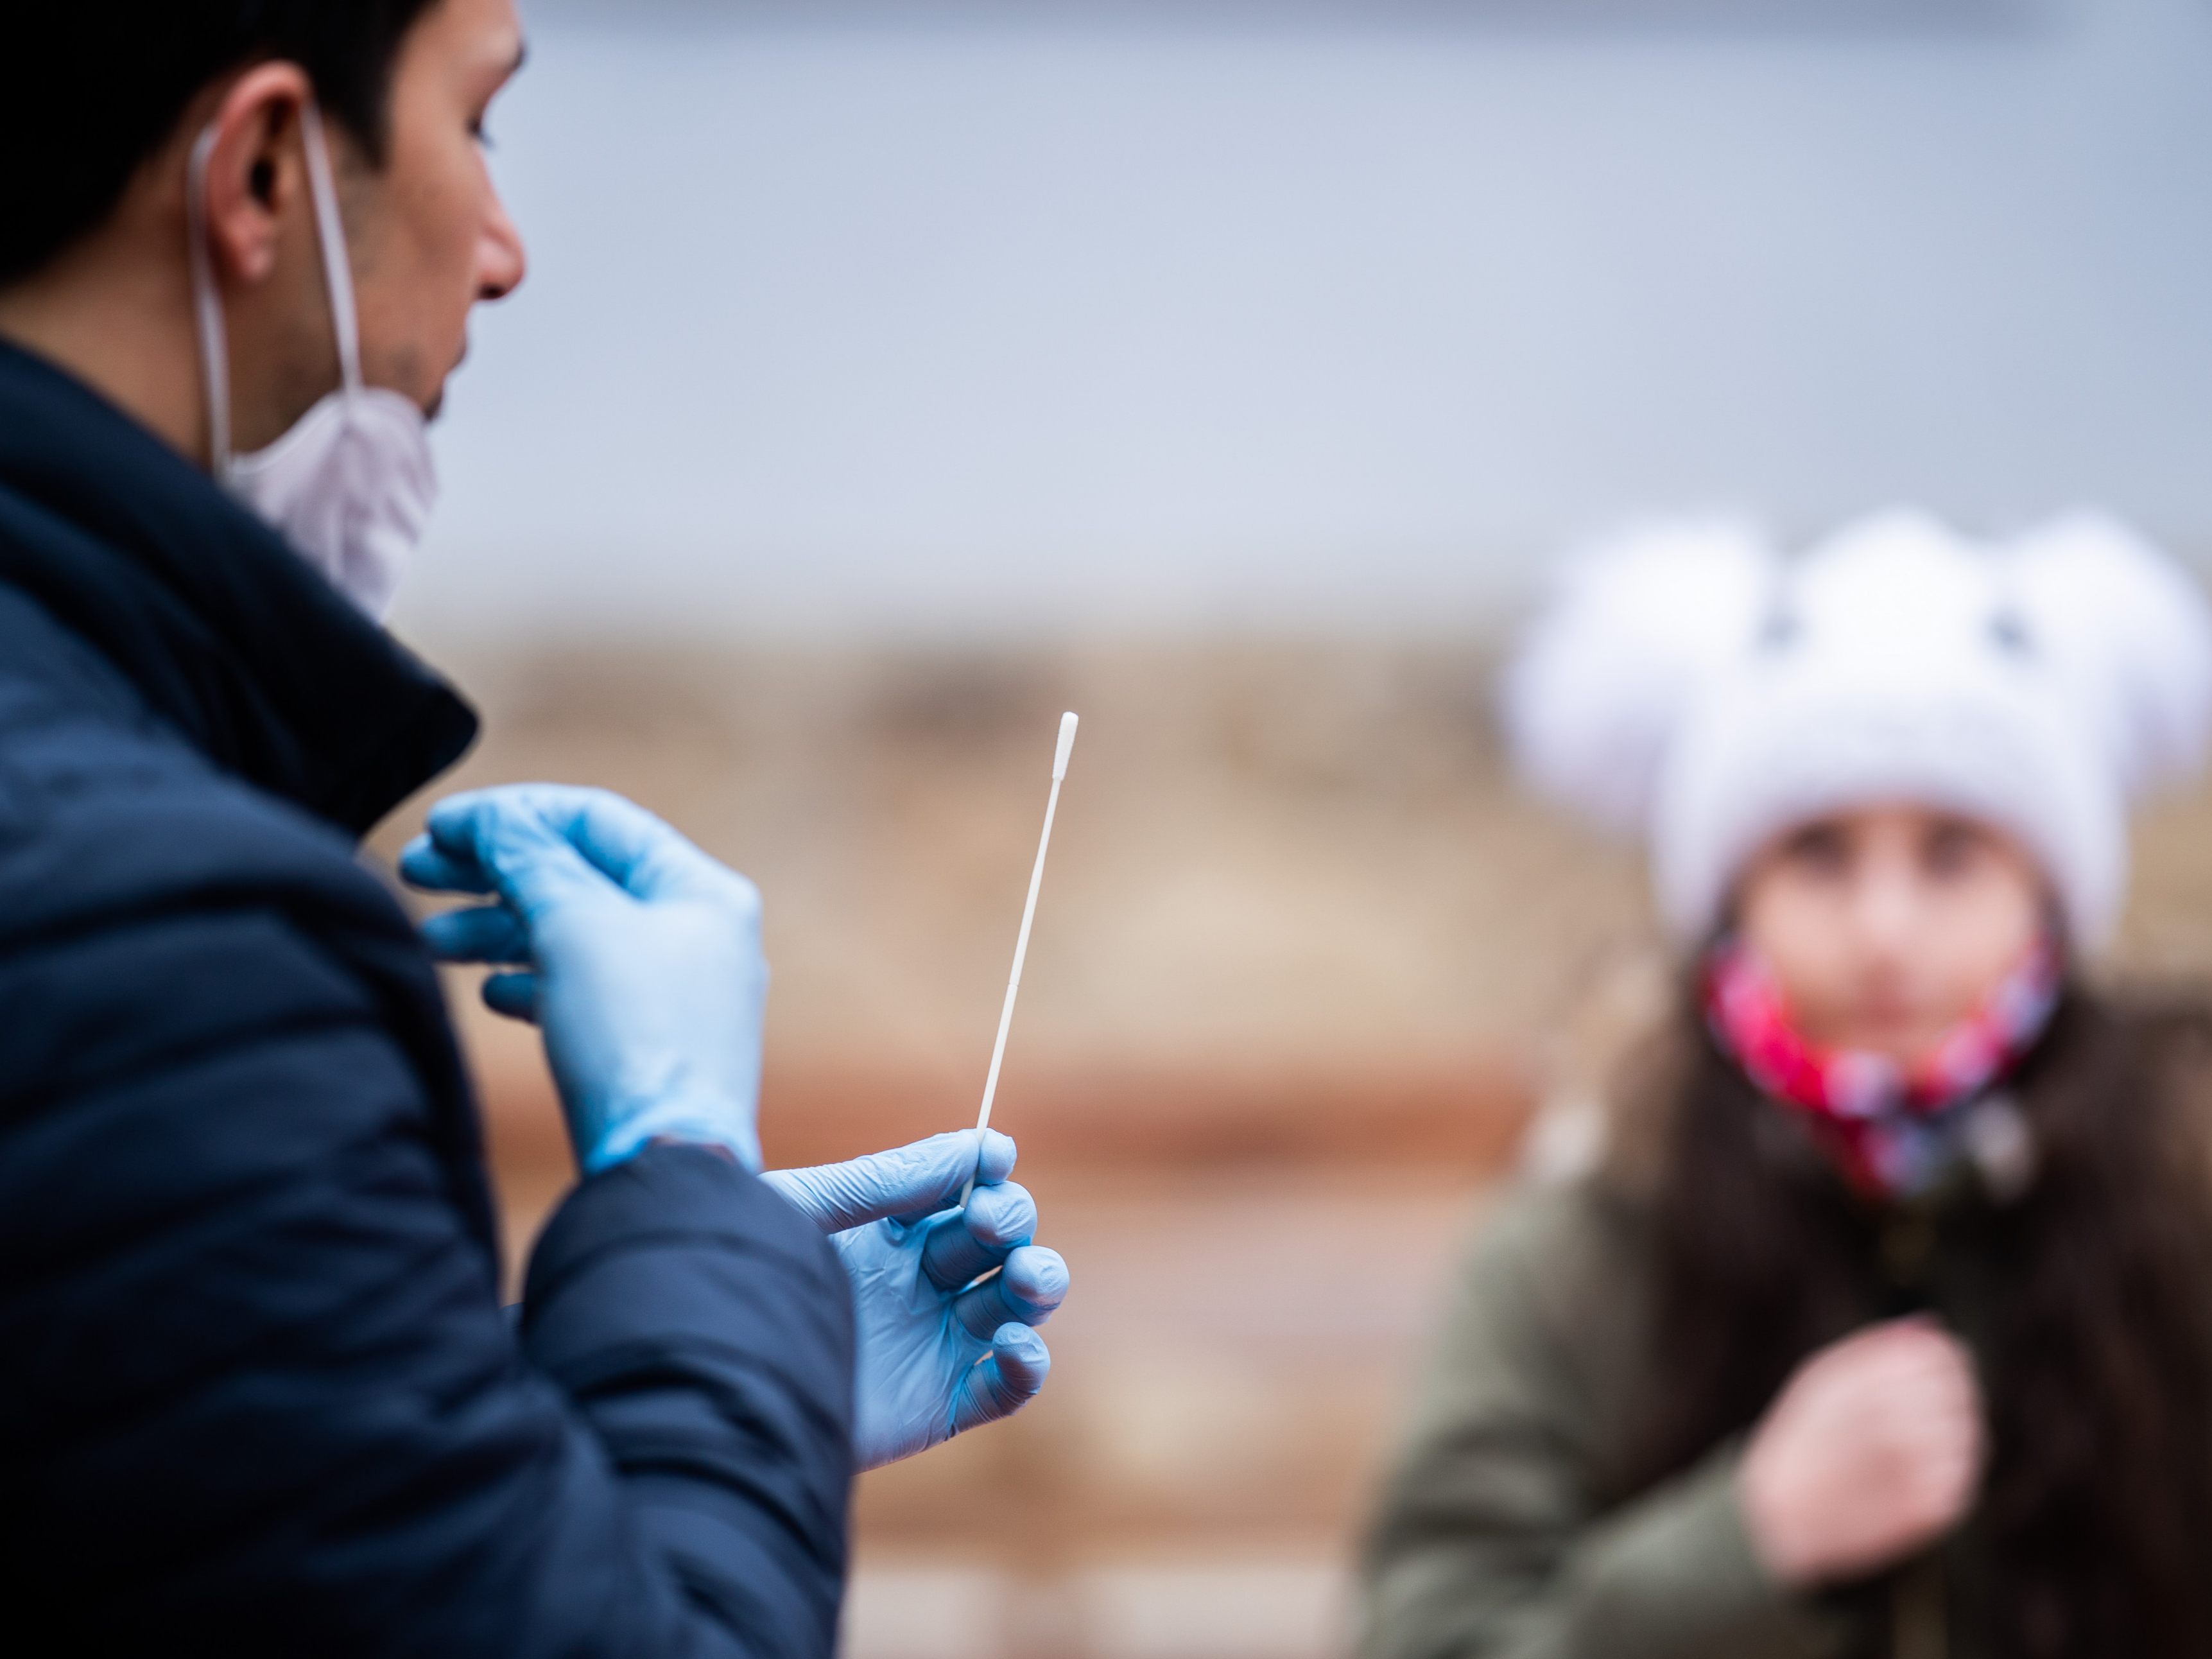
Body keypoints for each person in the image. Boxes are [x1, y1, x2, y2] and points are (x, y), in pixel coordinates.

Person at [0, 2, 1066, 1651]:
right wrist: (679, 1175)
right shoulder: (167, 946)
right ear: (263, 168)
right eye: (477, 124)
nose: (502, 253)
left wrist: (673, 1358)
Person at [1360, 510, 2212, 1658]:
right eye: (1817, 850)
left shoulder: (2182, 1209)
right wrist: (1744, 1544)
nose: (1883, 930)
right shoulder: (1580, 1245)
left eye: (1951, 851)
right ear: (1730, 895)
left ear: (2046, 892)